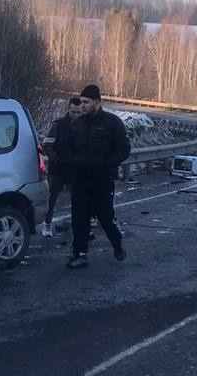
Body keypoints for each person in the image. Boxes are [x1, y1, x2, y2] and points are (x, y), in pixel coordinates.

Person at [55, 84, 130, 268]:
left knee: (105, 217)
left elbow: (124, 149)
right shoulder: (76, 125)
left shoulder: (112, 123)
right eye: (81, 102)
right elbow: (64, 149)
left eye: (86, 102)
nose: (82, 105)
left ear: (97, 102)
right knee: (79, 218)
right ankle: (80, 254)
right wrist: (73, 164)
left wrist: (107, 164)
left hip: (103, 180)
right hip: (80, 180)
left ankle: (117, 244)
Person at [41, 96, 83, 235]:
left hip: (75, 170)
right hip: (58, 170)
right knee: (52, 199)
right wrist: (57, 160)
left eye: (78, 112)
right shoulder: (58, 125)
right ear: (68, 110)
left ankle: (80, 226)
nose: (76, 115)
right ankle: (47, 224)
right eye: (73, 112)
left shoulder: (83, 125)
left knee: (78, 199)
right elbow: (47, 145)